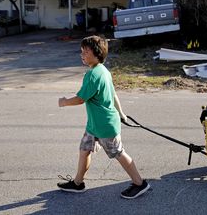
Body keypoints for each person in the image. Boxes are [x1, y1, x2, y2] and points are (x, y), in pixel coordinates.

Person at [57, 35, 150, 199]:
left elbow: (80, 98)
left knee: (119, 153)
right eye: (81, 51)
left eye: (85, 51)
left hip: (104, 126)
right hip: (94, 125)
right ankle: (78, 183)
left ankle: (139, 183)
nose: (82, 54)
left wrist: (64, 102)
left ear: (96, 53)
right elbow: (114, 95)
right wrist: (121, 113)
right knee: (84, 150)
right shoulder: (104, 71)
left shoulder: (93, 75)